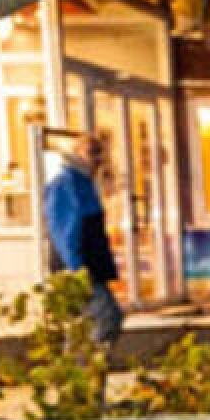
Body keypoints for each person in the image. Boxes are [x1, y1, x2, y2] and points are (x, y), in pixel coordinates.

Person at [43, 134, 122, 345]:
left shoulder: (83, 182)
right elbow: (63, 229)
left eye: (100, 154)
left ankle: (81, 370)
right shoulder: (66, 183)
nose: (97, 160)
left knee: (86, 324)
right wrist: (76, 269)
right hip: (78, 267)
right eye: (92, 153)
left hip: (86, 265)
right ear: (77, 153)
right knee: (105, 316)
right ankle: (84, 369)